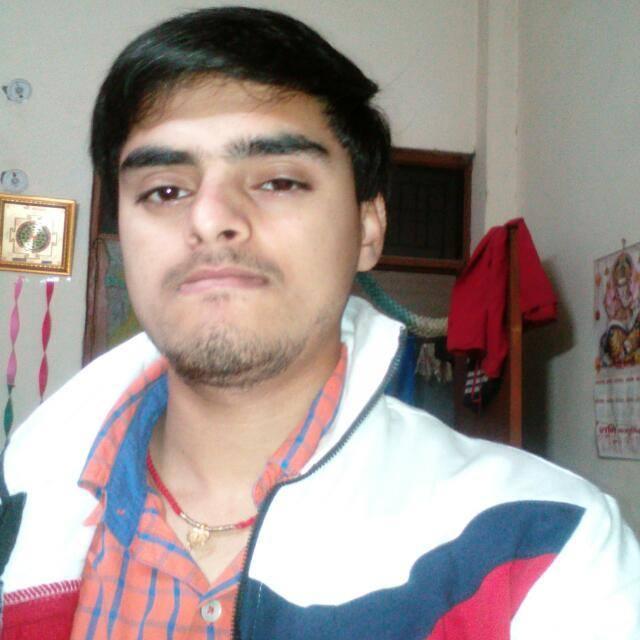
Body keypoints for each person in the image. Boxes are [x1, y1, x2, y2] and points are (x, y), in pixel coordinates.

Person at [1, 7, 639, 639]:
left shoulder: (540, 544)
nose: (210, 218)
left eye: (279, 181)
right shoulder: (19, 506)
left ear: (368, 228)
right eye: (165, 191)